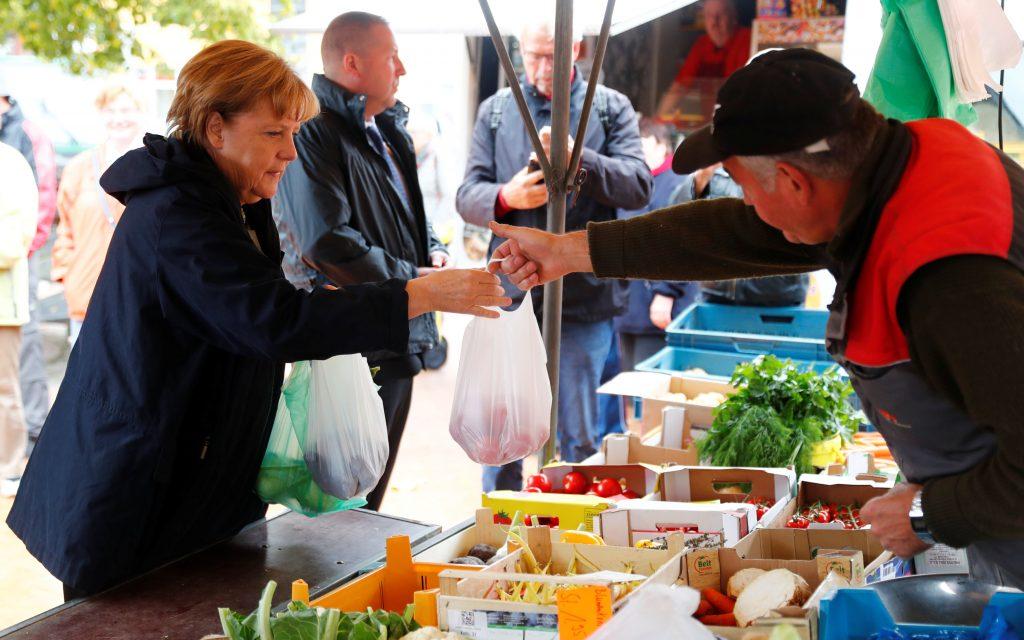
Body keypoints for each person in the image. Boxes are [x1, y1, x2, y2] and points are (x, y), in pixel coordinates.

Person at [488, 48, 1024, 588]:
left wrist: (928, 513)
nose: (746, 204)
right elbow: (733, 234)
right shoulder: (885, 171)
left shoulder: (951, 278)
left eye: (744, 187)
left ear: (794, 182)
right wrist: (567, 252)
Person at [6, 40, 509, 598]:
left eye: (294, 134)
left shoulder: (231, 200)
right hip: (135, 495)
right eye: (275, 133)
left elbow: (250, 306)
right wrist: (415, 294)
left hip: (192, 491)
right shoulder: (177, 212)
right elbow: (272, 322)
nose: (291, 153)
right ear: (215, 128)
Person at [456, 20, 651, 490]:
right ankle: (499, 532)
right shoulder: (498, 111)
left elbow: (639, 184)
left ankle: (572, 531)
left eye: (552, 55)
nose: (543, 67)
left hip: (583, 296)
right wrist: (506, 197)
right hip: (509, 291)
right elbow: (468, 194)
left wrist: (579, 157)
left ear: (576, 48)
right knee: (500, 429)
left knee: (577, 435)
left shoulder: (607, 108)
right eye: (534, 55)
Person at [274, 12, 451, 512]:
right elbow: (324, 241)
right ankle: (324, 592)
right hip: (354, 339)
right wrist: (413, 280)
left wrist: (431, 250)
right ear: (352, 63)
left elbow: (410, 215)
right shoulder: (313, 134)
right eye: (391, 55)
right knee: (339, 504)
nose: (403, 68)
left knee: (368, 498)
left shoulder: (386, 129)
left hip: (399, 331)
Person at [52, 82, 147, 346]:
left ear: (140, 113)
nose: (119, 118)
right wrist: (67, 275)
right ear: (101, 114)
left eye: (126, 110)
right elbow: (65, 228)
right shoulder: (79, 168)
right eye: (111, 110)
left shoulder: (155, 167)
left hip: (138, 295)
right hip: (87, 293)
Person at [0, 84, 56, 468]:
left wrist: (26, 253)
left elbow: (43, 201)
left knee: (24, 356)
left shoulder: (23, 138)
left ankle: (32, 437)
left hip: (16, 269)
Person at [615, 118, 699, 372]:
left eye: (641, 144)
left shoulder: (679, 182)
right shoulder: (630, 183)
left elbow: (684, 243)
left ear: (662, 145)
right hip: (628, 305)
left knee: (650, 383)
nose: (635, 151)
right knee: (628, 382)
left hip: (661, 306)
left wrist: (666, 292)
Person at [669, 163, 809, 307]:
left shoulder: (781, 164)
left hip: (780, 297)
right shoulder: (716, 171)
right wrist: (700, 179)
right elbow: (675, 219)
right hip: (717, 297)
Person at [0, 143, 38, 492]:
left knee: (3, 388)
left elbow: (14, 241)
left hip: (3, 304)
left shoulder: (10, 163)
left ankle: (9, 467)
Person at [657, 0, 751, 118]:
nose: (714, 22)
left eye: (721, 15)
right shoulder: (701, 44)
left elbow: (740, 91)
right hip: (710, 123)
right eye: (709, 15)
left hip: (738, 120)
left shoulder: (748, 39)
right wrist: (658, 120)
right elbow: (679, 87)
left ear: (734, 17)